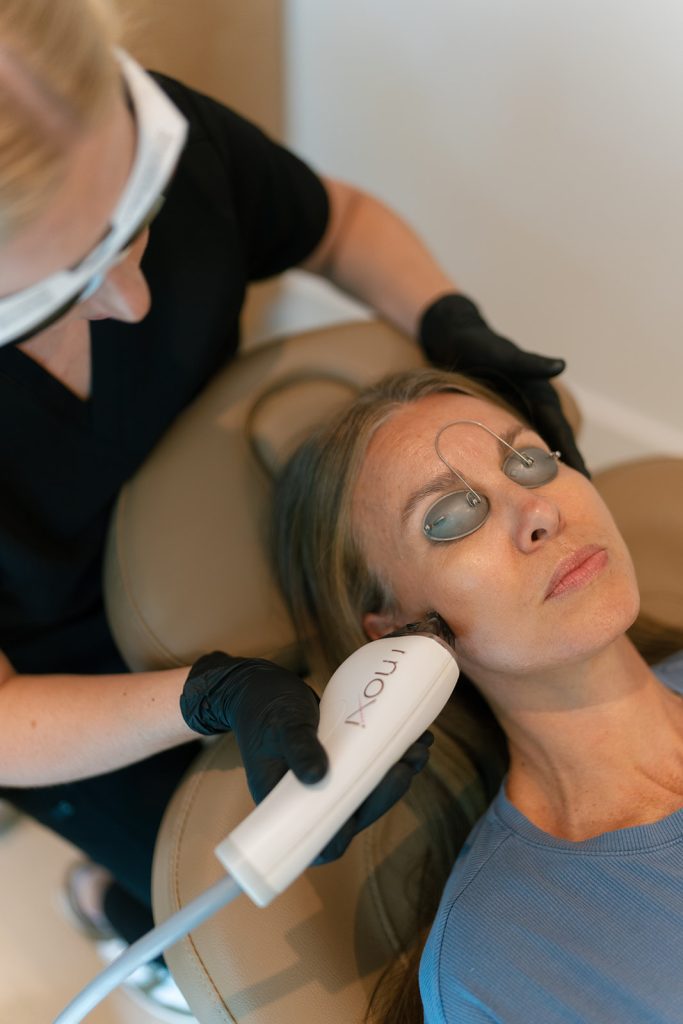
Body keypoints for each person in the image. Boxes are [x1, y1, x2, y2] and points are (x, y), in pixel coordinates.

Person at [0, 0, 585, 1012]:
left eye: (135, 220)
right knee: (259, 886)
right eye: (61, 290)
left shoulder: (151, 129)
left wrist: (447, 320)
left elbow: (338, 223)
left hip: (224, 529)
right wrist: (206, 696)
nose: (135, 300)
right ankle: (121, 905)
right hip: (59, 681)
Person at [274, 367, 683, 1024]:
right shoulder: (499, 960)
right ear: (399, 631)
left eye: (529, 461)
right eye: (450, 517)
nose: (539, 513)